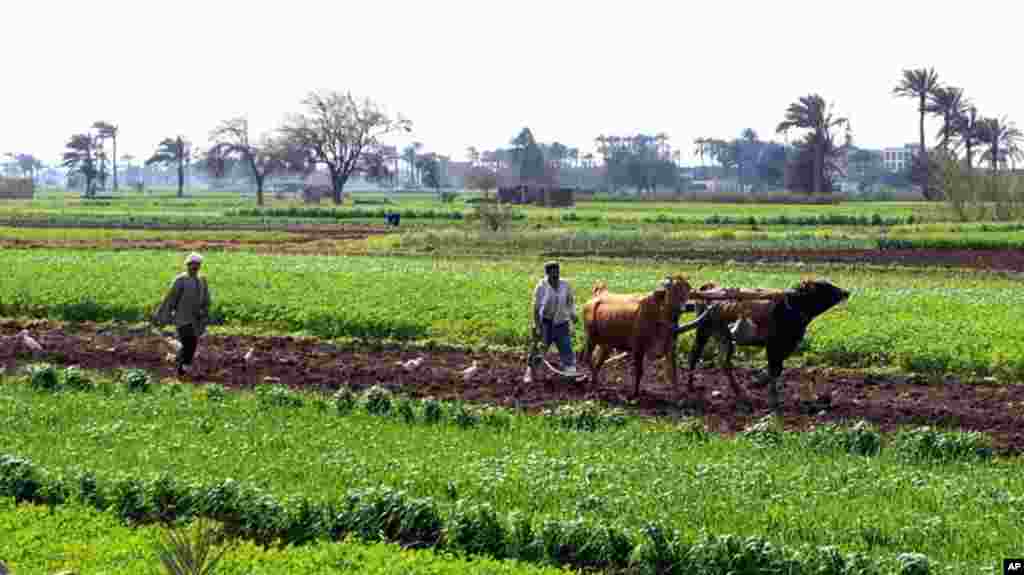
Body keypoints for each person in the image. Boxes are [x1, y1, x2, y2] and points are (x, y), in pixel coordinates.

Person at [154, 252, 211, 377]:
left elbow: (206, 299)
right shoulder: (181, 280)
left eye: (197, 265)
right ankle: (182, 369)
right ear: (187, 265)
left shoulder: (202, 280)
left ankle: (180, 362)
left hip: (196, 320)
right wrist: (162, 316)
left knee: (193, 344)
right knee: (188, 342)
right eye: (192, 265)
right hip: (182, 318)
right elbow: (170, 299)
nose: (195, 267)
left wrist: (205, 312)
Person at [526, 261, 578, 382]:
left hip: (562, 323)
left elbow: (570, 301)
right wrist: (538, 326)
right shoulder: (541, 286)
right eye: (553, 273)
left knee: (566, 348)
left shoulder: (565, 285)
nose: (556, 276)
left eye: (557, 272)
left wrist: (572, 314)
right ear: (547, 273)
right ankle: (530, 372)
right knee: (539, 350)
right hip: (546, 323)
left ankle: (570, 373)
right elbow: (536, 307)